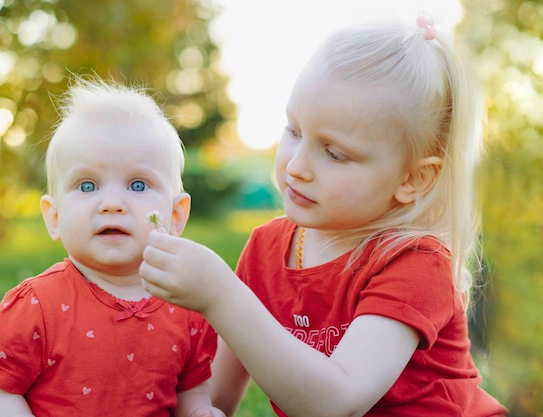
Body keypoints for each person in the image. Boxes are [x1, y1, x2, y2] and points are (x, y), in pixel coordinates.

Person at [140, 17, 509, 417]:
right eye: (294, 131)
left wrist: (221, 295)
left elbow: (337, 401)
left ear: (413, 179)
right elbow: (215, 399)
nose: (297, 166)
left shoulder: (416, 263)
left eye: (334, 153)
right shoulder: (267, 249)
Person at [0, 77, 224, 417]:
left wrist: (199, 411)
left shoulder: (187, 305)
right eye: (87, 185)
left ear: (175, 215)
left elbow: (191, 388)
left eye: (138, 184)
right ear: (54, 216)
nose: (112, 203)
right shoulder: (37, 304)